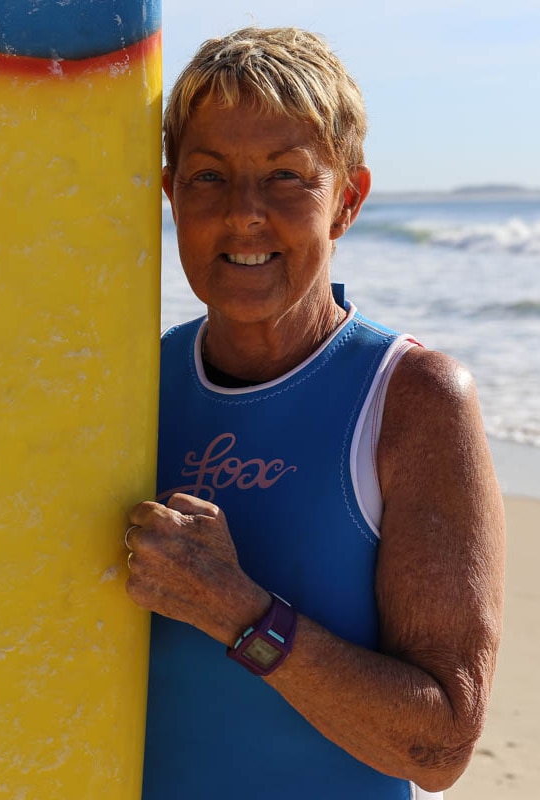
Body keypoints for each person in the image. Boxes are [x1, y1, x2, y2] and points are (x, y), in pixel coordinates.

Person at [124, 26, 505, 800]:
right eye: (207, 177)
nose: (243, 216)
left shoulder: (412, 399)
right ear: (169, 195)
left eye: (287, 178)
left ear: (347, 202)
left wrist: (237, 612)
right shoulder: (130, 385)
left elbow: (438, 748)